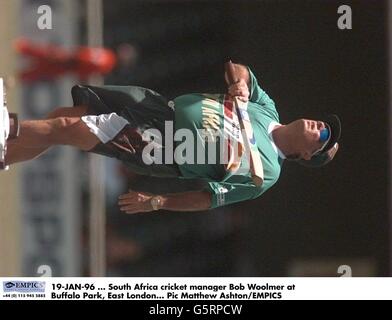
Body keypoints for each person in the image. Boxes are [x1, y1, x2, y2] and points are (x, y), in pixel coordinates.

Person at [2, 62, 341, 213]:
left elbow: (209, 198)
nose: (318, 126)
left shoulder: (267, 173)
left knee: (66, 128)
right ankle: (3, 154)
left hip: (161, 147)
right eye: (324, 124)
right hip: (159, 106)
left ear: (308, 155)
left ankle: (5, 127)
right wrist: (238, 83)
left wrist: (161, 202)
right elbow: (237, 68)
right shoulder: (267, 109)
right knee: (62, 119)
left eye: (323, 135)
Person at [14, 38, 117, 82]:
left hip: (72, 62)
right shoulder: (107, 60)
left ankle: (22, 48)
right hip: (72, 62)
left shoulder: (107, 58)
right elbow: (87, 58)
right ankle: (22, 49)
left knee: (44, 60)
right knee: (44, 60)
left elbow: (87, 57)